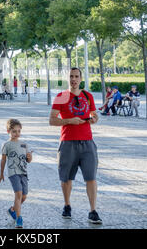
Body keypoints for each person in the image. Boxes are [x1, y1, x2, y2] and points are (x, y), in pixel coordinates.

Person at [49, 67, 102, 224]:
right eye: (71, 76)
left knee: (91, 177)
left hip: (87, 142)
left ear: (81, 78)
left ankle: (93, 211)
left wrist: (94, 118)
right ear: (67, 78)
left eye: (76, 76)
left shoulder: (88, 96)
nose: (74, 79)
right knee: (66, 178)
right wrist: (69, 121)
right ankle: (67, 205)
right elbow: (52, 120)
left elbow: (93, 114)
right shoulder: (61, 96)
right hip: (68, 142)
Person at [0, 119, 32, 229]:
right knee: (18, 194)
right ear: (8, 131)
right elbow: (3, 160)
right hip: (13, 173)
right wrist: (1, 173)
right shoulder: (6, 145)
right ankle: (19, 218)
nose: (16, 134)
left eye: (18, 131)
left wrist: (29, 157)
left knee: (24, 196)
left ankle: (12, 209)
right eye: (14, 131)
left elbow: (29, 160)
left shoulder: (24, 145)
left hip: (23, 173)